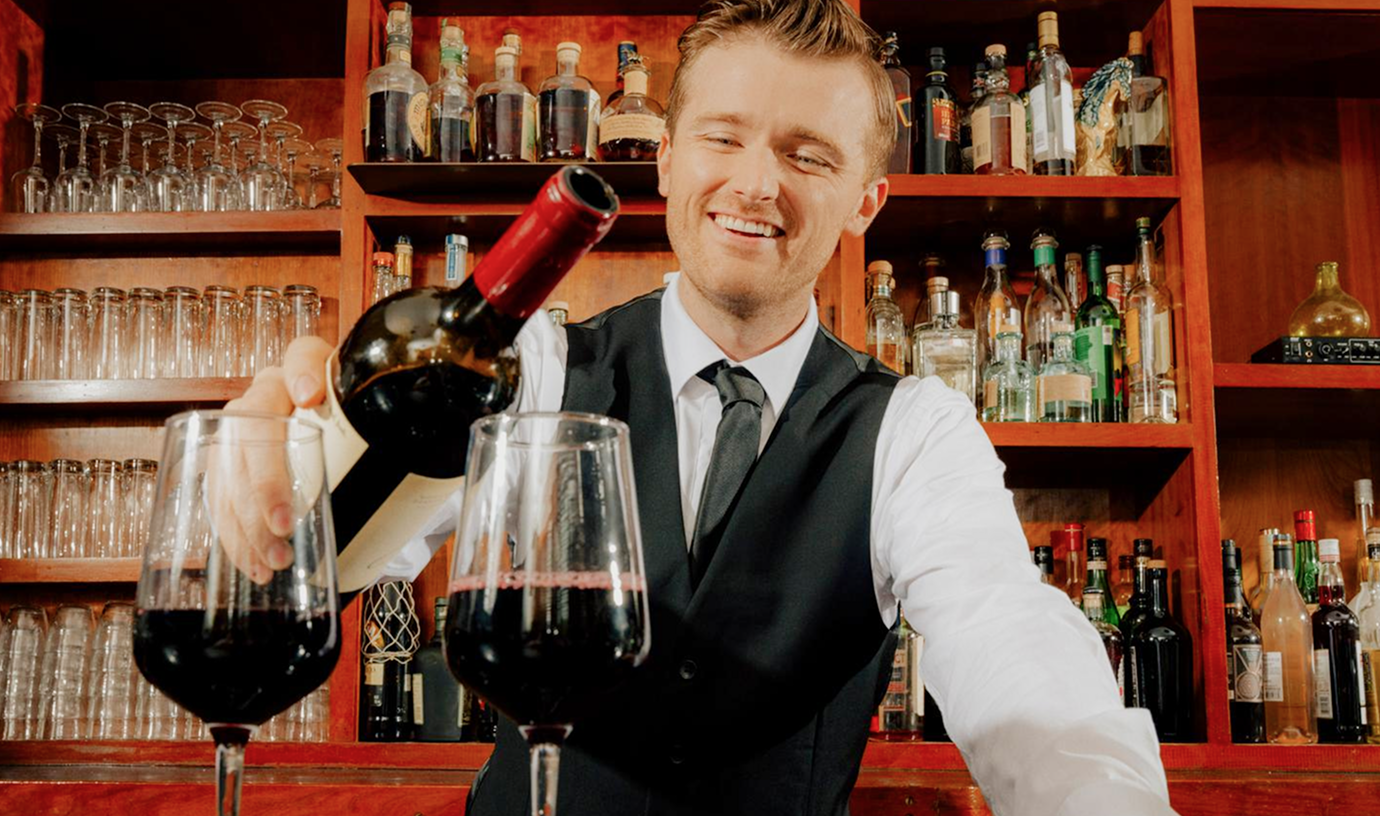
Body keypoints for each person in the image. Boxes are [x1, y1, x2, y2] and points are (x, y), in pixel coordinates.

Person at [227, 1, 1177, 814]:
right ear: (670, 159)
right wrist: (278, 489)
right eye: (724, 138)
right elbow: (332, 549)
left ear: (865, 202)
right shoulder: (536, 368)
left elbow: (1017, 650)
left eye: (808, 156)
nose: (756, 184)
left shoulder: (914, 432)